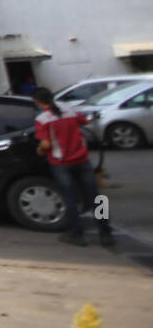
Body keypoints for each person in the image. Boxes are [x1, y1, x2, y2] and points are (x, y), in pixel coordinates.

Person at [32, 87, 113, 247]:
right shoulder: (69, 111)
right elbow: (85, 122)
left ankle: (76, 234)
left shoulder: (42, 119)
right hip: (82, 159)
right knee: (97, 197)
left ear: (37, 102)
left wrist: (40, 150)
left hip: (61, 163)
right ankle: (105, 234)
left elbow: (46, 144)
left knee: (70, 198)